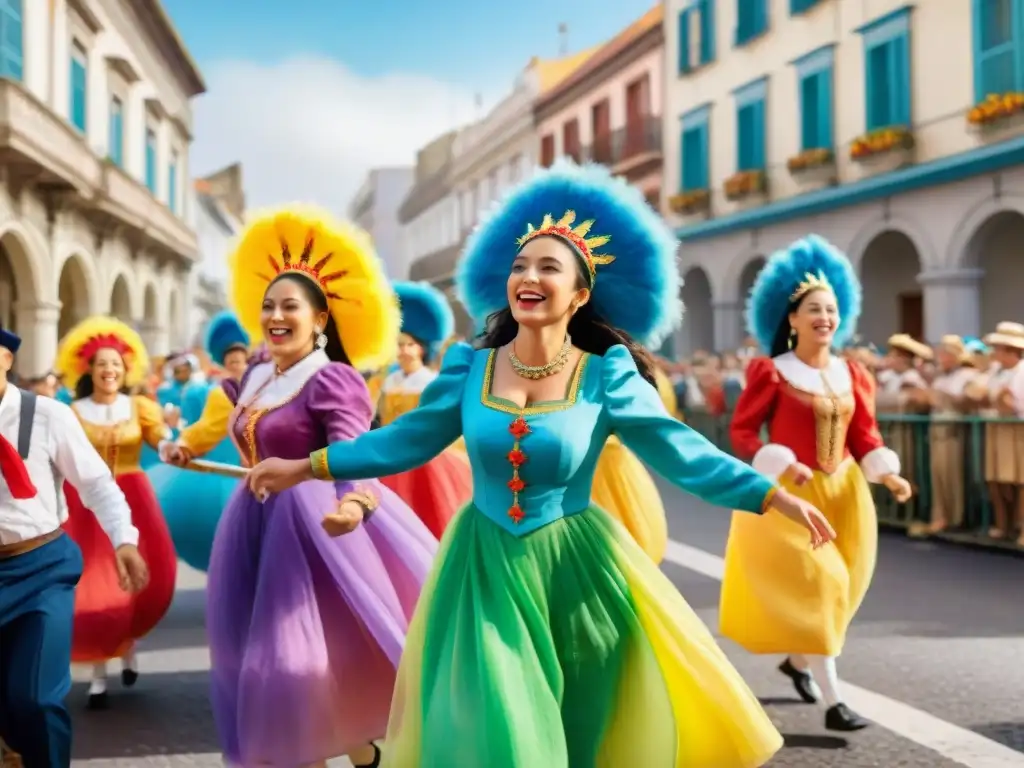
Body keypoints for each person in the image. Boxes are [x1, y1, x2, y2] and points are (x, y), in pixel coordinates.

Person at [246, 163, 836, 767]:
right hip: (484, 567)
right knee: (507, 721)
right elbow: (403, 440)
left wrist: (768, 495)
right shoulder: (467, 368)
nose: (528, 276)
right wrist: (307, 465)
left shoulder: (607, 374)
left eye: (548, 267)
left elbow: (679, 448)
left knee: (582, 729)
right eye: (520, 266)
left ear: (580, 294)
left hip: (578, 573)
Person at [162, 207, 436, 768]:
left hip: (318, 530)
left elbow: (354, 451)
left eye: (290, 306)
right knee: (274, 659)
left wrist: (353, 504)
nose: (275, 315)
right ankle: (358, 749)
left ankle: (346, 748)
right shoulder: (258, 373)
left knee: (299, 662)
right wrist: (185, 443)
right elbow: (227, 417)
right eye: (268, 305)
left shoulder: (332, 378)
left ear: (319, 321)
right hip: (255, 522)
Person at [721, 235, 913, 732]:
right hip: (791, 500)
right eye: (813, 309)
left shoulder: (854, 374)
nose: (824, 317)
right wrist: (781, 462)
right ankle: (835, 705)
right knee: (823, 589)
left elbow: (866, 434)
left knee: (844, 592)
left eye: (830, 309)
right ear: (792, 319)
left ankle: (798, 663)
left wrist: (887, 473)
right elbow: (743, 432)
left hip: (848, 493)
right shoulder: (771, 372)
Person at [0, 324, 147, 767]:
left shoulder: (47, 415)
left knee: (37, 699)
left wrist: (124, 539)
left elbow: (98, 484)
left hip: (40, 569)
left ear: (7, 359)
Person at [53, 317, 178, 709]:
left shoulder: (139, 406)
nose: (109, 370)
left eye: (116, 364)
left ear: (126, 370)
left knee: (138, 579)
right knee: (91, 584)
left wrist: (171, 443)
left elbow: (160, 438)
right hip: (86, 504)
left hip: (134, 497)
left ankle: (126, 648)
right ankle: (98, 674)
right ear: (88, 370)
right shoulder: (70, 410)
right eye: (102, 363)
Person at [148, 311, 250, 572]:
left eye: (242, 361)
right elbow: (205, 428)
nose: (238, 365)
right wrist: (184, 445)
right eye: (233, 361)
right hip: (242, 476)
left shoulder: (278, 387)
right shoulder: (221, 395)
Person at [375, 281, 472, 537]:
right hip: (389, 456)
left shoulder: (430, 382)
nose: (404, 351)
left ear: (423, 347)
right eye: (399, 344)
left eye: (410, 344)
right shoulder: (388, 382)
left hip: (425, 461)